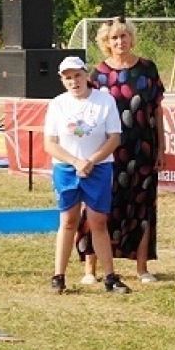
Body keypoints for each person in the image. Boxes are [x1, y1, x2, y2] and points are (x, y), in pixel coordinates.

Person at [76, 17, 166, 284]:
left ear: (131, 38)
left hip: (143, 149)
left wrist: (162, 147)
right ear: (106, 42)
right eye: (114, 37)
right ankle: (91, 269)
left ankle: (142, 268)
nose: (120, 41)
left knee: (143, 207)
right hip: (107, 152)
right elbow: (88, 113)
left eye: (124, 36)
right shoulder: (98, 75)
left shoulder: (148, 69)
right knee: (98, 206)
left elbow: (157, 111)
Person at [43, 56, 131, 295]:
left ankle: (110, 277)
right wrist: (75, 161)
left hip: (98, 168)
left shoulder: (105, 101)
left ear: (86, 75)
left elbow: (114, 137)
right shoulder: (58, 104)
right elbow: (50, 144)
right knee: (68, 220)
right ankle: (58, 276)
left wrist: (91, 161)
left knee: (98, 221)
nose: (74, 82)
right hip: (66, 168)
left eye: (78, 76)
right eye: (68, 78)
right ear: (63, 81)